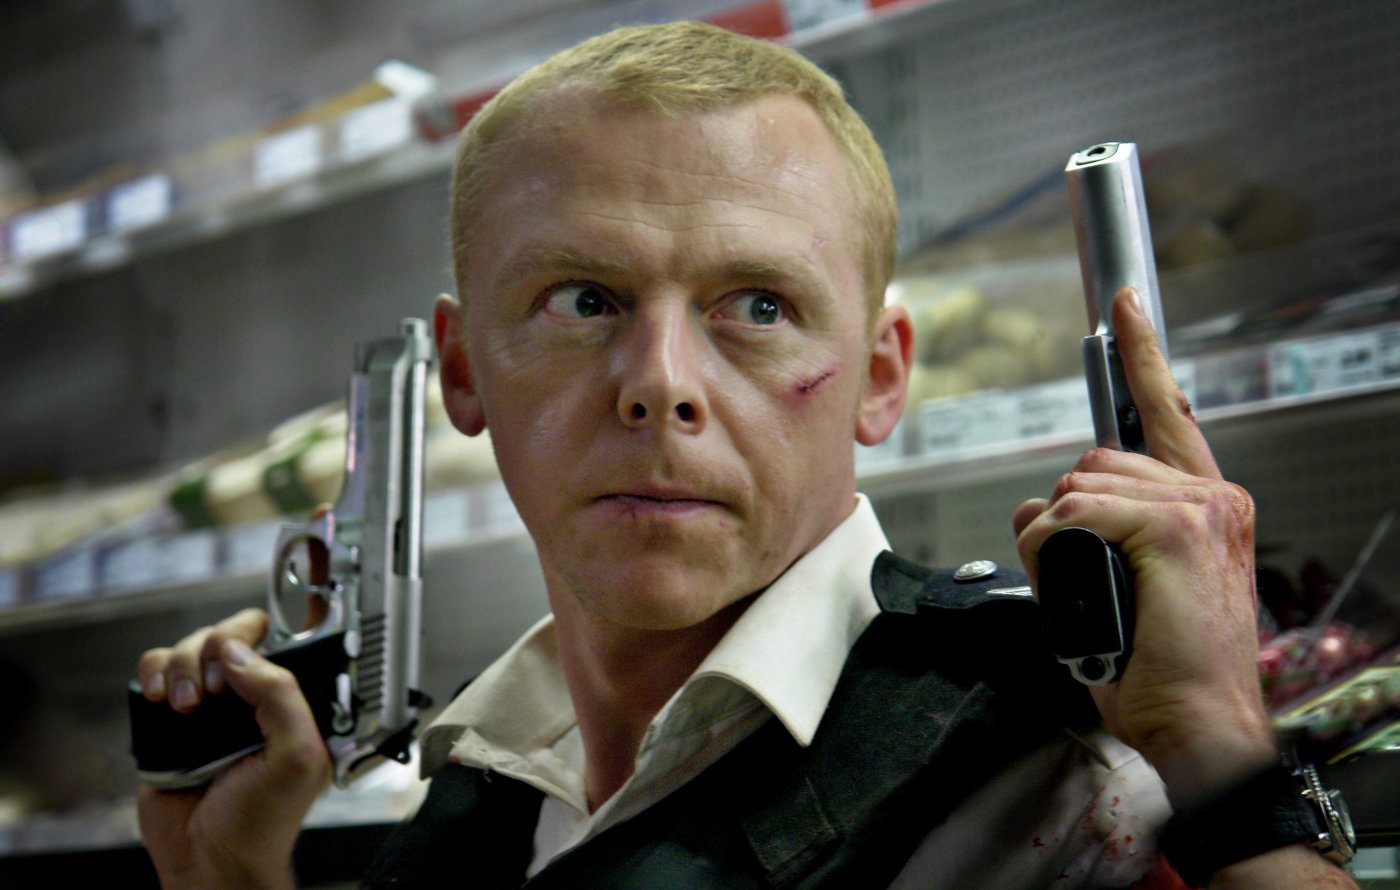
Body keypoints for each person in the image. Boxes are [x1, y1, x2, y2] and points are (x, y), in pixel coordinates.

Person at [134, 21, 1358, 890]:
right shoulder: (477, 788)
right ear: (462, 374)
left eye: (757, 306)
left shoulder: (1069, 770)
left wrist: (1217, 756)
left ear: (879, 375)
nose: (659, 382)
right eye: (581, 300)